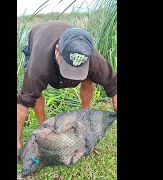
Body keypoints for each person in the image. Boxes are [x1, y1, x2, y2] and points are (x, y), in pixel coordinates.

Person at [17, 21, 117, 157]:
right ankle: (43, 127)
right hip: (37, 42)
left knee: (88, 77)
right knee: (35, 91)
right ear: (57, 51)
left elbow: (113, 82)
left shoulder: (92, 56)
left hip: (66, 42)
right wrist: (17, 141)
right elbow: (23, 103)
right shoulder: (38, 67)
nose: (73, 75)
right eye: (69, 68)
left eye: (78, 69)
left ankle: (84, 116)